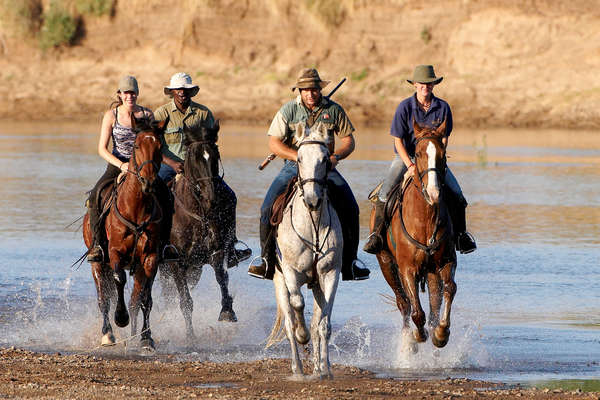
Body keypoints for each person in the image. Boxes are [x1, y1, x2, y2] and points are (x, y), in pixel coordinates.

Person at [247, 68, 370, 281]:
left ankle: (351, 261)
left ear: (319, 89)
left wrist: (335, 158)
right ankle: (265, 260)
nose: (310, 94)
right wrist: (297, 157)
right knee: (267, 206)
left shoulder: (334, 110)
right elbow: (274, 143)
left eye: (314, 89)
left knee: (351, 207)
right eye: (305, 90)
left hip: (325, 167)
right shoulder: (288, 111)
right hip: (293, 166)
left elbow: (349, 141)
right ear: (300, 91)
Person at [363, 65, 477, 255]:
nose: (426, 86)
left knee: (457, 195)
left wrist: (437, 159)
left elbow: (444, 138)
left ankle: (461, 236)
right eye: (422, 83)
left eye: (429, 83)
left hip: (433, 160)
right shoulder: (404, 107)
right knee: (384, 194)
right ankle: (377, 236)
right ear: (415, 84)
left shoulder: (443, 107)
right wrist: (409, 165)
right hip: (406, 157)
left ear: (434, 85)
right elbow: (397, 140)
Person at [154, 72, 251, 264]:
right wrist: (172, 163)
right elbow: (154, 146)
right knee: (154, 196)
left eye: (186, 89)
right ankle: (158, 245)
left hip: (199, 169)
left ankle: (230, 247)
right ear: (172, 92)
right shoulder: (161, 114)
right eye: (179, 89)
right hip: (169, 166)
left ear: (192, 92)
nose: (182, 93)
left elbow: (212, 143)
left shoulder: (204, 114)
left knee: (230, 197)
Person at [87, 75, 176, 262]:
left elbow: (154, 144)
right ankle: (97, 246)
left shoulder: (147, 115)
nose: (130, 96)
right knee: (96, 195)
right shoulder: (111, 116)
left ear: (137, 94)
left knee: (167, 197)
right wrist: (122, 165)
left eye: (133, 93)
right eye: (126, 93)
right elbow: (101, 149)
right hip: (117, 165)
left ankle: (166, 245)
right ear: (120, 94)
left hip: (144, 166)